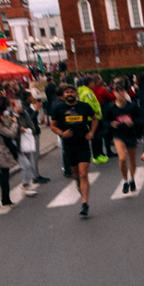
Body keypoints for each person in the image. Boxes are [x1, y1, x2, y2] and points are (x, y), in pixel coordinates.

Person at [50, 84, 98, 217]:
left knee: (83, 174)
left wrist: (92, 132)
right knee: (76, 175)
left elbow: (95, 118)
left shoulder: (84, 107)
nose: (69, 94)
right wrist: (61, 133)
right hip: (69, 146)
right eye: (67, 92)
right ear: (63, 95)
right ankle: (80, 186)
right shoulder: (58, 109)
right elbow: (52, 125)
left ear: (76, 94)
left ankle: (84, 204)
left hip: (83, 143)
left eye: (71, 92)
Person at [103, 81, 144, 195]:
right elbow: (104, 121)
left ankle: (132, 179)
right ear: (114, 93)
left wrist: (133, 122)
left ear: (125, 92)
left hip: (130, 134)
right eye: (117, 91)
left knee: (132, 160)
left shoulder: (132, 106)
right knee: (122, 158)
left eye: (122, 91)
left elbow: (142, 119)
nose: (120, 94)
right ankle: (125, 181)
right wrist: (111, 124)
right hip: (118, 135)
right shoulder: (110, 107)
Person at [11, 98, 40, 196]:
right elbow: (8, 130)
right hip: (16, 145)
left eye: (20, 104)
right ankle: (24, 185)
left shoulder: (25, 114)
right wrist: (17, 125)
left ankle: (27, 183)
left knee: (30, 164)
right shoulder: (9, 116)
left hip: (26, 143)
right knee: (26, 165)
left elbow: (32, 127)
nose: (19, 106)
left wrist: (26, 130)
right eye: (16, 104)